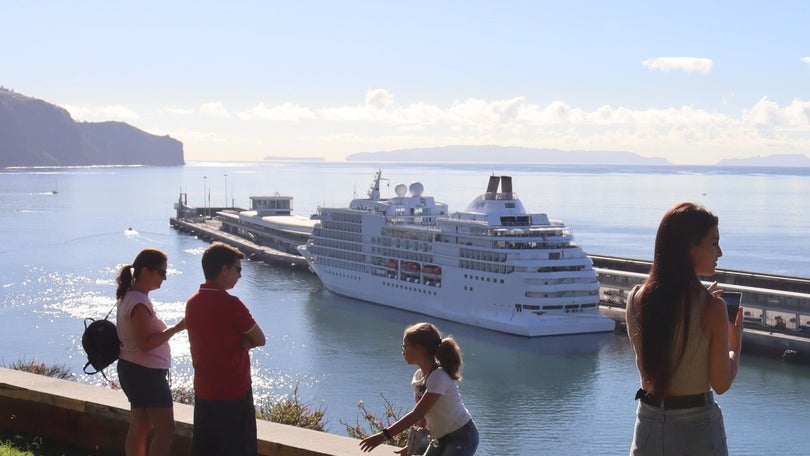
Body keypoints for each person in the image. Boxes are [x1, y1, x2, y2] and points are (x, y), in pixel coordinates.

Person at [626, 202, 744, 455]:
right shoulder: (712, 308)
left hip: (648, 424)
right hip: (696, 428)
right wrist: (735, 346)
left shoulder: (636, 298)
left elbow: (671, 323)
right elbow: (721, 384)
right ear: (690, 248)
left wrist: (700, 303)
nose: (720, 252)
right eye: (713, 242)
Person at [185, 242, 266, 456]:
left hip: (204, 391)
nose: (240, 275)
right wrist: (246, 340)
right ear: (224, 269)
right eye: (237, 269)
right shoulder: (232, 305)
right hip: (233, 392)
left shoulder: (192, 302)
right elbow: (260, 338)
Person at [360, 322, 479, 456]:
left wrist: (383, 436)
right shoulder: (419, 376)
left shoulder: (439, 376)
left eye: (405, 346)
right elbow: (422, 417)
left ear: (419, 348)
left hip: (461, 435)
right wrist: (411, 444)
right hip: (439, 437)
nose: (403, 351)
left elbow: (417, 413)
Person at [115, 248, 186, 456]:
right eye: (162, 272)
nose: (164, 278)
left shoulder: (129, 296)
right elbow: (145, 343)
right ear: (146, 271)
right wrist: (177, 328)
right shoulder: (139, 302)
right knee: (166, 430)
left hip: (133, 369)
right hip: (146, 374)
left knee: (140, 426)